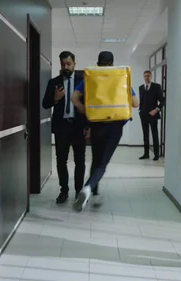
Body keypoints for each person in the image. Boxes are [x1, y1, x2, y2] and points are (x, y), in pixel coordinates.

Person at [70, 51, 139, 212]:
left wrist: (83, 109)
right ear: (112, 63)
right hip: (114, 126)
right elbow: (135, 103)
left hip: (96, 125)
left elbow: (74, 97)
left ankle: (95, 193)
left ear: (98, 62)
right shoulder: (120, 77)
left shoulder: (90, 77)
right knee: (102, 164)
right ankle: (87, 189)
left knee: (96, 159)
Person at [42, 51, 89, 204]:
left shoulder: (83, 82)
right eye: (63, 64)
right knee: (61, 160)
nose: (65, 66)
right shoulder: (54, 82)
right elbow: (45, 104)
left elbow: (89, 105)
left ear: (75, 63)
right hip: (61, 127)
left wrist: (88, 126)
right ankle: (64, 191)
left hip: (78, 127)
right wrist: (55, 98)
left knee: (80, 161)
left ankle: (78, 191)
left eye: (68, 63)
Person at [139, 70, 165, 161]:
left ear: (151, 77)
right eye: (145, 76)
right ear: (143, 77)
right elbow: (141, 100)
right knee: (145, 134)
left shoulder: (156, 87)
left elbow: (162, 100)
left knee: (154, 134)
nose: (147, 77)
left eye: (148, 76)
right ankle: (146, 154)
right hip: (143, 115)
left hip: (153, 114)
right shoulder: (141, 87)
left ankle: (156, 155)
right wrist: (140, 110)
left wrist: (156, 109)